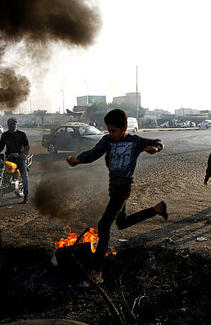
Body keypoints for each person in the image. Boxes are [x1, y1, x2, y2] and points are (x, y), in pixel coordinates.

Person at [66, 109, 168, 282]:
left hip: (123, 189)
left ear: (124, 128)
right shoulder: (107, 141)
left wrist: (155, 148)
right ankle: (157, 209)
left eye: (114, 131)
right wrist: (78, 160)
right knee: (122, 223)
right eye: (109, 130)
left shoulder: (134, 141)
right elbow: (94, 152)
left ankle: (97, 270)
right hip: (113, 187)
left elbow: (159, 141)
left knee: (104, 225)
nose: (111, 134)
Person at [0, 117, 30, 203]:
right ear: (8, 125)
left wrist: (24, 153)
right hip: (9, 158)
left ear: (16, 124)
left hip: (20, 158)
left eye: (14, 124)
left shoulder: (22, 134)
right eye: (11, 124)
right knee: (0, 170)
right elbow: (0, 146)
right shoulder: (5, 135)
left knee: (24, 175)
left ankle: (26, 196)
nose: (13, 126)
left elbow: (27, 146)